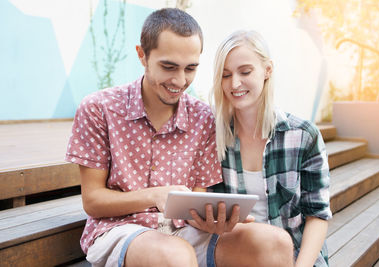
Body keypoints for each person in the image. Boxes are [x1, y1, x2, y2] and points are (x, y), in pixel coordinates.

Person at [66, 8, 294, 267]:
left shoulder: (203, 118)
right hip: (120, 230)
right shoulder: (99, 108)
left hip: (185, 233)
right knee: (175, 255)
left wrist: (213, 220)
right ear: (142, 55)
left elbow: (196, 202)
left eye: (191, 68)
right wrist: (154, 196)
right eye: (169, 66)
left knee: (275, 243)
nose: (180, 80)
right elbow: (93, 201)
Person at [209, 30, 332, 267]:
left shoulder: (303, 136)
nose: (235, 83)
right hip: (242, 256)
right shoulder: (214, 138)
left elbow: (317, 215)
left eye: (245, 72)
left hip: (297, 257)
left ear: (267, 70)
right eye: (225, 75)